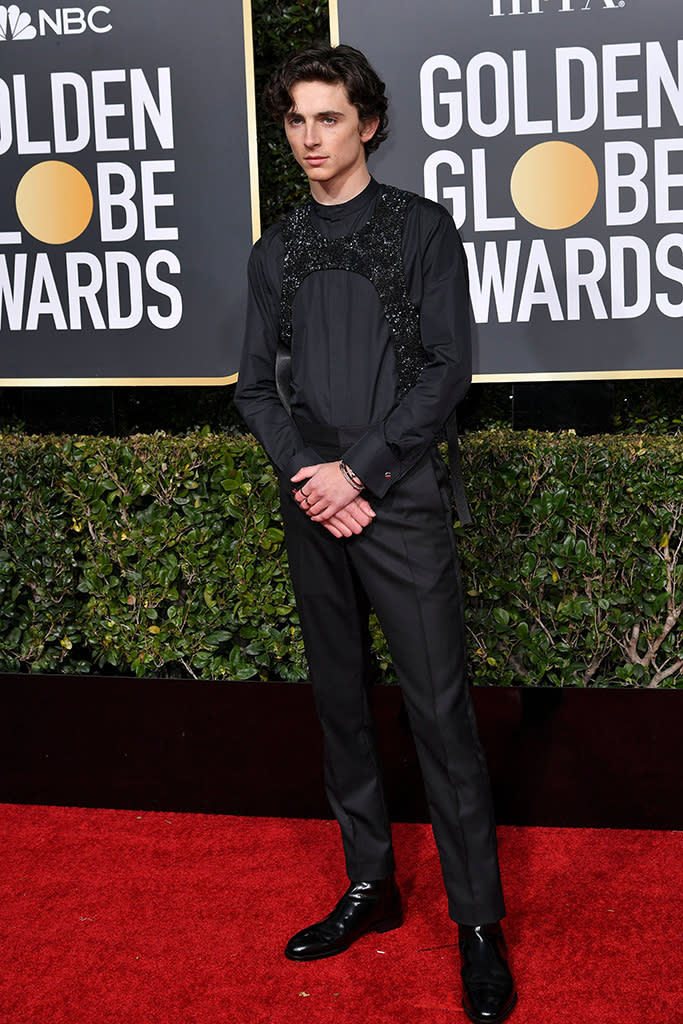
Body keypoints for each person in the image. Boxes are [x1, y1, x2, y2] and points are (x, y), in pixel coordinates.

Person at [235, 43, 518, 1024]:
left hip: (395, 502)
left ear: (369, 123)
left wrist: (359, 472)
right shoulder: (273, 252)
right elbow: (254, 388)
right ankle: (371, 882)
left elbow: (447, 369)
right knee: (340, 704)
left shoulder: (420, 231)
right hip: (313, 504)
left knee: (440, 719)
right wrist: (314, 480)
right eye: (295, 121)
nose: (310, 137)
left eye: (328, 117)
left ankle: (477, 924)